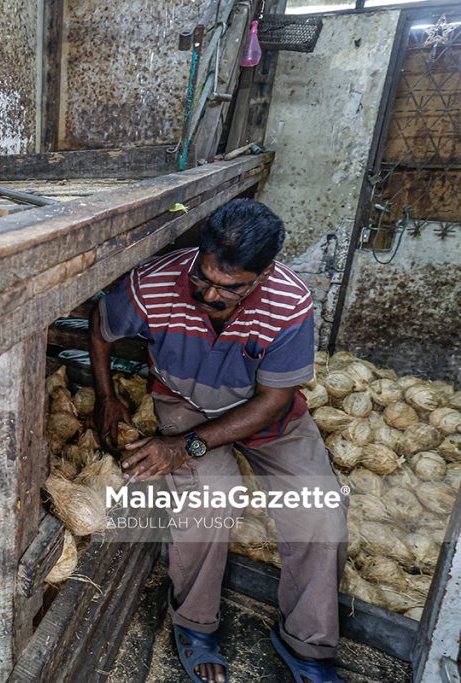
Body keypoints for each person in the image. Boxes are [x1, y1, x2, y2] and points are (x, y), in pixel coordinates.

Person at [90, 198, 348, 683]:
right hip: (184, 401)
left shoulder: (290, 303)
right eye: (203, 279)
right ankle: (195, 625)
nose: (209, 296)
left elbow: (272, 402)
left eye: (229, 289)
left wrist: (185, 447)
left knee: (322, 510)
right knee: (211, 498)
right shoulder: (153, 284)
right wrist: (107, 397)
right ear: (199, 254)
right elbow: (102, 328)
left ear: (264, 272)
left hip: (266, 415)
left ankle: (307, 646)